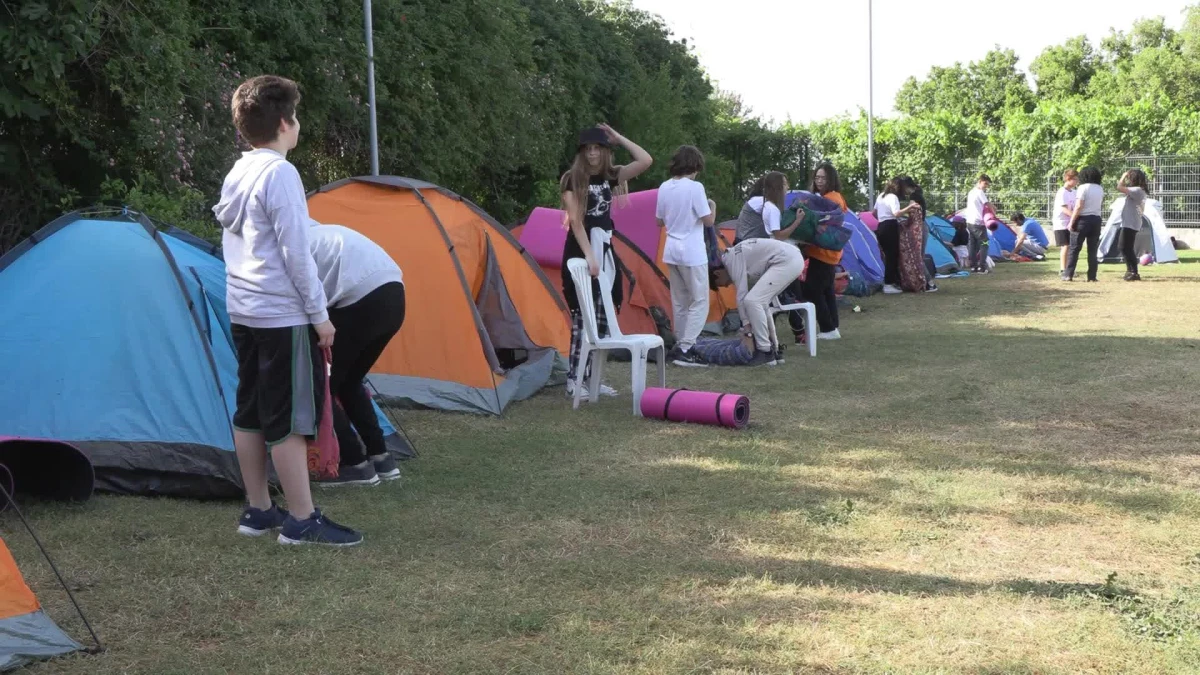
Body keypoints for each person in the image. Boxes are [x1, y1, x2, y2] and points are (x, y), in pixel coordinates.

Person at [213, 75, 361, 546]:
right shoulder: (280, 173)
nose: (298, 125)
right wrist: (320, 316)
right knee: (289, 415)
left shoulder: (238, 172)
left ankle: (258, 511)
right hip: (282, 315)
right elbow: (298, 254)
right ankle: (301, 519)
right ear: (283, 122)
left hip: (243, 310)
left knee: (251, 410)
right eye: (296, 117)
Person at [307, 221, 405, 487]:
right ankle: (381, 458)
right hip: (395, 296)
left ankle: (355, 464)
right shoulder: (324, 231)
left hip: (360, 301)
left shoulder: (294, 244)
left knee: (321, 386)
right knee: (349, 382)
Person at [560, 125, 653, 396]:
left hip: (605, 250)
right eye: (588, 149)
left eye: (597, 148)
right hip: (581, 251)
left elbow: (645, 161)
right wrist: (589, 256)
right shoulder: (572, 179)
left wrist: (619, 138)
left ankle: (593, 378)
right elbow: (576, 221)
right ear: (581, 152)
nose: (592, 153)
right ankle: (574, 380)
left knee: (601, 319)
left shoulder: (610, 176)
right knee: (582, 318)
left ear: (604, 151)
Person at [656, 145, 716, 367]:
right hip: (691, 251)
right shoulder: (695, 187)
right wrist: (712, 205)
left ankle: (680, 343)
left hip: (671, 249)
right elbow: (708, 220)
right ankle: (686, 347)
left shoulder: (664, 187)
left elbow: (659, 221)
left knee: (680, 301)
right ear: (695, 166)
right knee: (700, 300)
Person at [713, 237, 806, 366]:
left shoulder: (730, 259)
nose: (727, 286)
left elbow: (741, 295)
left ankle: (765, 351)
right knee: (761, 302)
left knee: (752, 301)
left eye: (721, 284)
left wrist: (746, 327)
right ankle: (774, 349)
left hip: (787, 260)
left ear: (717, 273)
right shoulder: (733, 255)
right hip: (791, 258)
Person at [804, 162, 846, 339]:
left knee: (813, 290)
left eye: (823, 178)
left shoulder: (831, 198)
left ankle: (828, 328)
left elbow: (821, 221)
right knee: (827, 290)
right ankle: (832, 327)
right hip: (826, 252)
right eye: (817, 177)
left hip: (824, 252)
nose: (819, 181)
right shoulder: (831, 196)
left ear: (831, 179)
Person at [873, 177, 920, 294]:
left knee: (887, 255)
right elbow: (896, 213)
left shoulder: (881, 196)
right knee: (892, 256)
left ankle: (891, 282)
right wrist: (910, 207)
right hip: (890, 227)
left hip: (881, 226)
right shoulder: (893, 197)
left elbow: (874, 213)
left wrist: (882, 218)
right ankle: (888, 284)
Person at [1064, 166, 1104, 282]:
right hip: (1096, 220)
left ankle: (1068, 274)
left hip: (1082, 220)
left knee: (1074, 249)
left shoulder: (1082, 188)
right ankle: (1092, 276)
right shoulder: (1100, 188)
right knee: (1092, 250)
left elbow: (1079, 206)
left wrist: (1072, 221)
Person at [1116, 169, 1150, 281]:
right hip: (1130, 222)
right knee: (1126, 247)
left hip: (1131, 223)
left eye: (1130, 178)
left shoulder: (1137, 190)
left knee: (1124, 247)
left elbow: (1119, 187)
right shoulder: (1138, 190)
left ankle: (1133, 271)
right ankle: (1130, 270)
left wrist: (1122, 176)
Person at [963, 174, 992, 274]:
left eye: (987, 185)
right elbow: (987, 204)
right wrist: (994, 211)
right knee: (984, 243)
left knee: (973, 244)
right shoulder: (980, 192)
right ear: (980, 181)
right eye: (985, 184)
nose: (986, 186)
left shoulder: (971, 192)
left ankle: (973, 266)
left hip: (969, 222)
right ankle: (982, 266)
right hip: (978, 223)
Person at [1052, 169, 1079, 274]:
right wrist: (1075, 216)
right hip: (1061, 223)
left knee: (1071, 246)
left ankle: (1069, 268)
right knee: (1065, 245)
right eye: (1075, 179)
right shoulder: (1062, 192)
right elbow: (1064, 209)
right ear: (1068, 179)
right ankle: (1063, 269)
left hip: (1069, 223)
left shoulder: (1073, 192)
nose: (1077, 182)